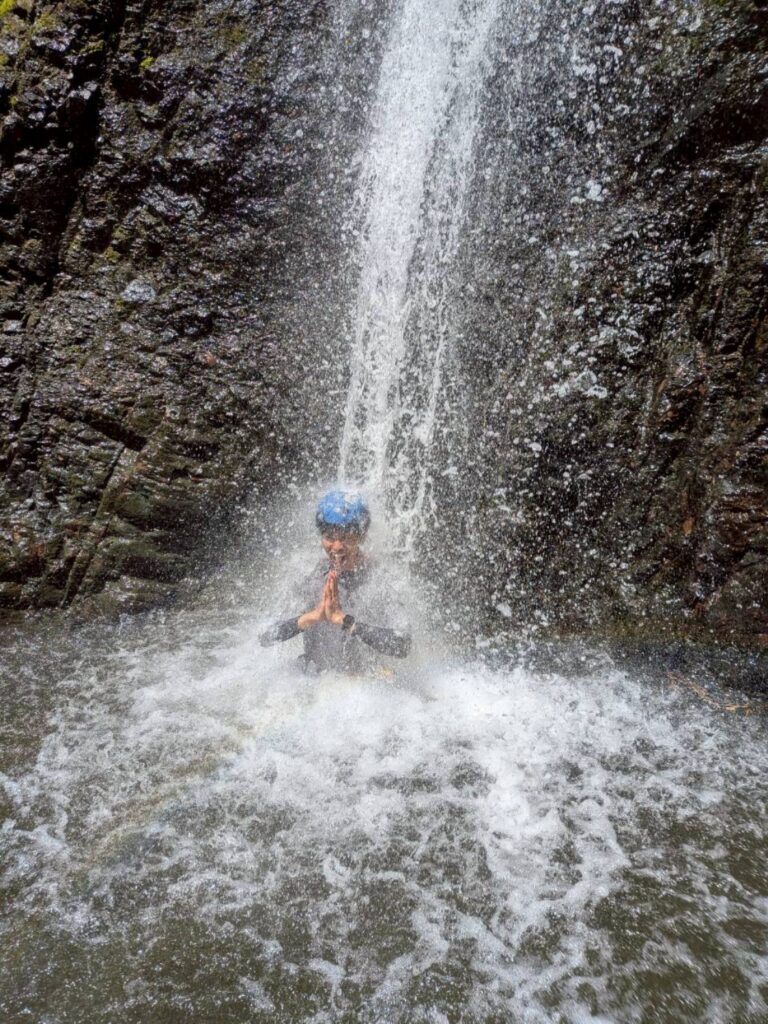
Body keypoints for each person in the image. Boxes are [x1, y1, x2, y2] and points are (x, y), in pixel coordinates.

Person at [259, 490, 411, 674]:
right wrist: (311, 617)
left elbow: (403, 644)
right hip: (314, 682)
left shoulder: (381, 580)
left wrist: (346, 622)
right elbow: (264, 636)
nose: (337, 547)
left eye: (346, 538)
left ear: (362, 536)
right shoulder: (309, 576)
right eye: (329, 537)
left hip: (364, 684)